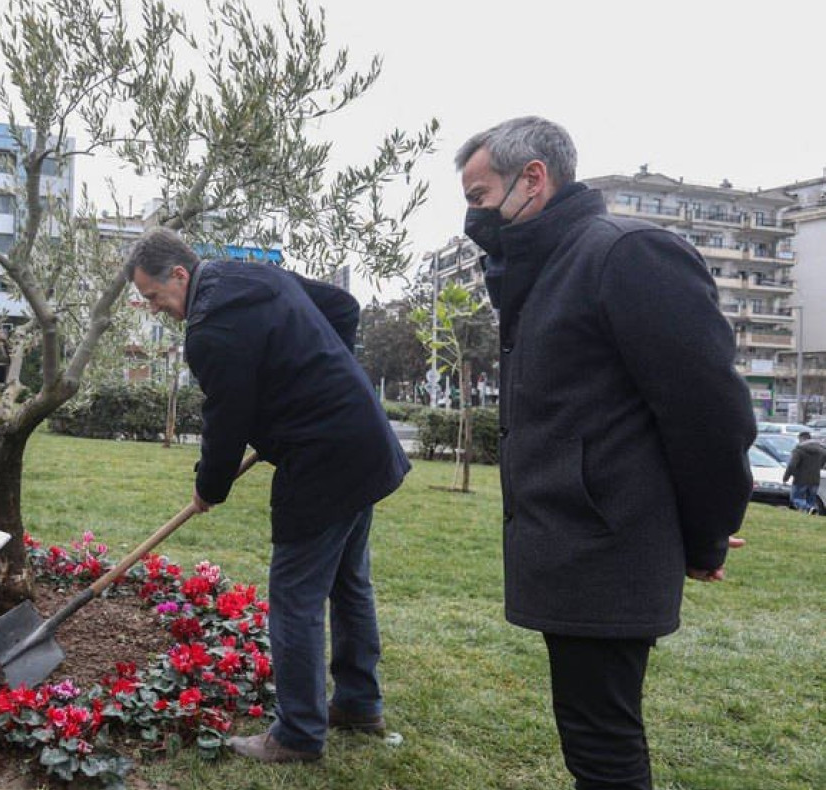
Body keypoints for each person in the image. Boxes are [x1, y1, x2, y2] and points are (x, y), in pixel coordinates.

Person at [455, 116, 755, 789]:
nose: (474, 216)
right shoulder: (549, 269)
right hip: (579, 544)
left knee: (603, 747)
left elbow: (710, 413)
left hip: (605, 548)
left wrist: (706, 535)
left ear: (534, 178)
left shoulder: (626, 255)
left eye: (479, 197)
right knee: (591, 735)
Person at [125, 229, 410, 764]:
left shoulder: (209, 330)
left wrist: (209, 486)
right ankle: (358, 703)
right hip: (360, 437)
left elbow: (226, 421)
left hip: (322, 458)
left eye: (154, 296)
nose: (155, 308)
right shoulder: (251, 273)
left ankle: (299, 734)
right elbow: (342, 308)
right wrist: (327, 378)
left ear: (180, 275)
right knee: (349, 582)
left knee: (295, 597)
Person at [783, 430, 825, 514]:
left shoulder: (799, 450)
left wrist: (786, 477)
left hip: (800, 479)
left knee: (795, 498)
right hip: (815, 479)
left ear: (802, 438)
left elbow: (792, 465)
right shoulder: (821, 450)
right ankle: (811, 510)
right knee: (811, 499)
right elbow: (822, 463)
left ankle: (808, 508)